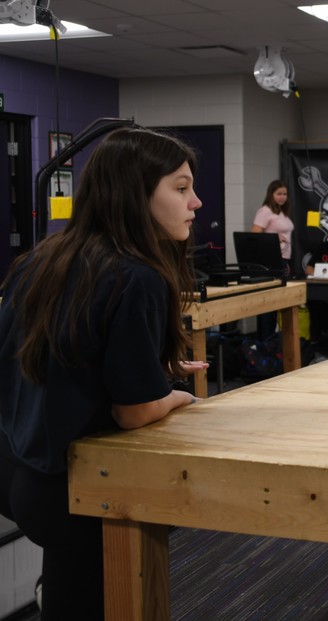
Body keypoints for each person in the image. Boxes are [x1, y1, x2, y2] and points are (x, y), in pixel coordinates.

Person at [0, 127, 208, 620]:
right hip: (76, 487)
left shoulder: (43, 259)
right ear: (135, 193)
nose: (196, 202)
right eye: (180, 188)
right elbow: (134, 412)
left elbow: (52, 355)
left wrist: (144, 365)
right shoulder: (138, 276)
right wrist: (175, 395)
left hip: (16, 470)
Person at [251, 180, 294, 338]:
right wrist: (274, 238)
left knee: (277, 302)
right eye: (279, 194)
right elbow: (254, 235)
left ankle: (271, 339)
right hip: (271, 260)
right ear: (271, 194)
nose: (282, 197)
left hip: (283, 259)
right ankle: (265, 339)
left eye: (285, 194)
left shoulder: (282, 212)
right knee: (268, 302)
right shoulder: (265, 211)